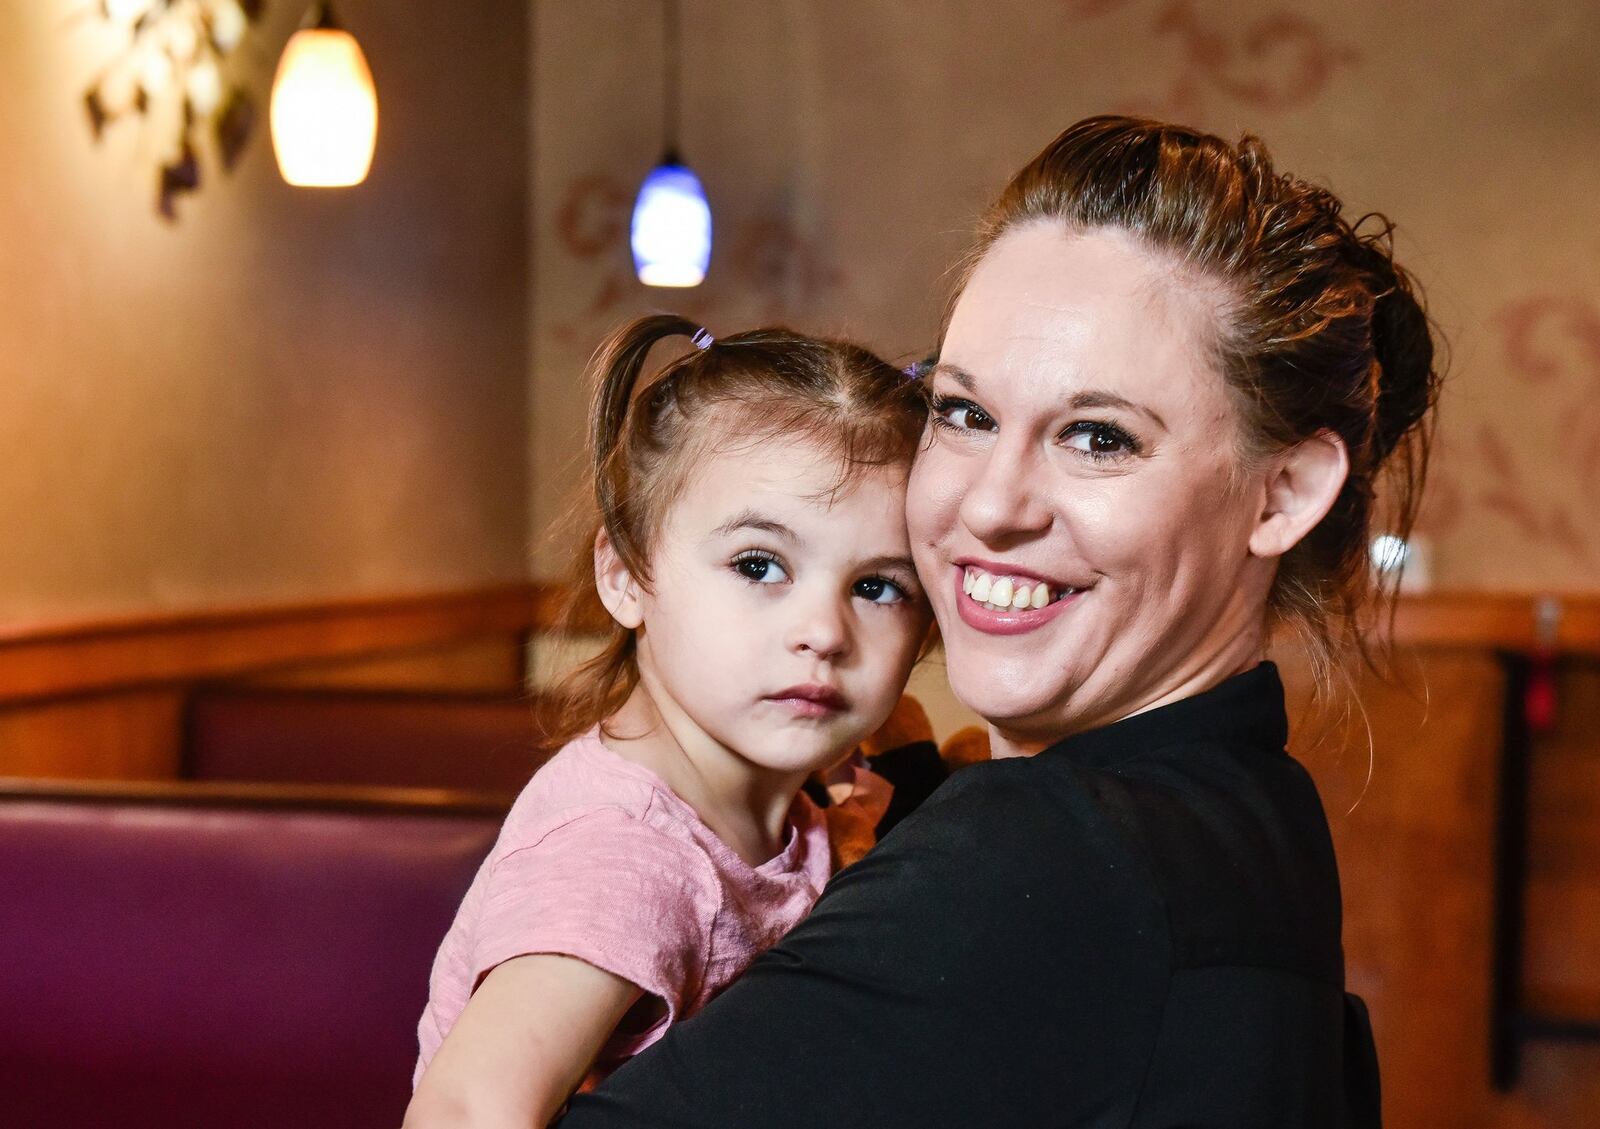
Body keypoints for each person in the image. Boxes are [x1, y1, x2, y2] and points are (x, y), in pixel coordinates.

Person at [555, 116, 1439, 1127]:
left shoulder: (1035, 856)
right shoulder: (1252, 813)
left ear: (1282, 492)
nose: (989, 506)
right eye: (964, 413)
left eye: (1098, 437)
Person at [404, 316, 933, 1127]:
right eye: (759, 565)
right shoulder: (625, 853)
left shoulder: (781, 807)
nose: (825, 631)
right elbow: (468, 1109)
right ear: (623, 575)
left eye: (878, 586)